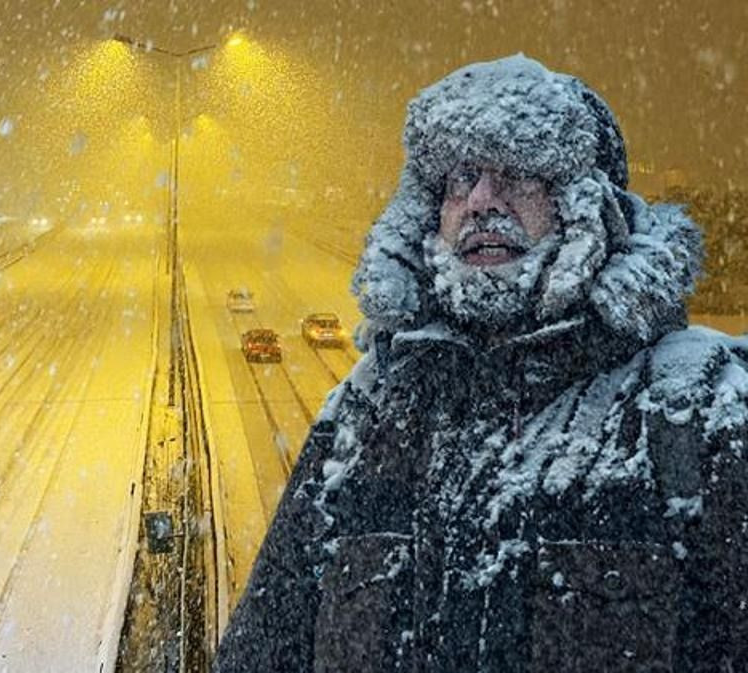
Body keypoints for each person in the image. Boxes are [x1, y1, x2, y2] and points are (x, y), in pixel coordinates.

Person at [213, 55, 748, 672]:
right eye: (461, 177)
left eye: (518, 173)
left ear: (583, 206)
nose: (480, 202)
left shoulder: (695, 413)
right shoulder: (367, 416)